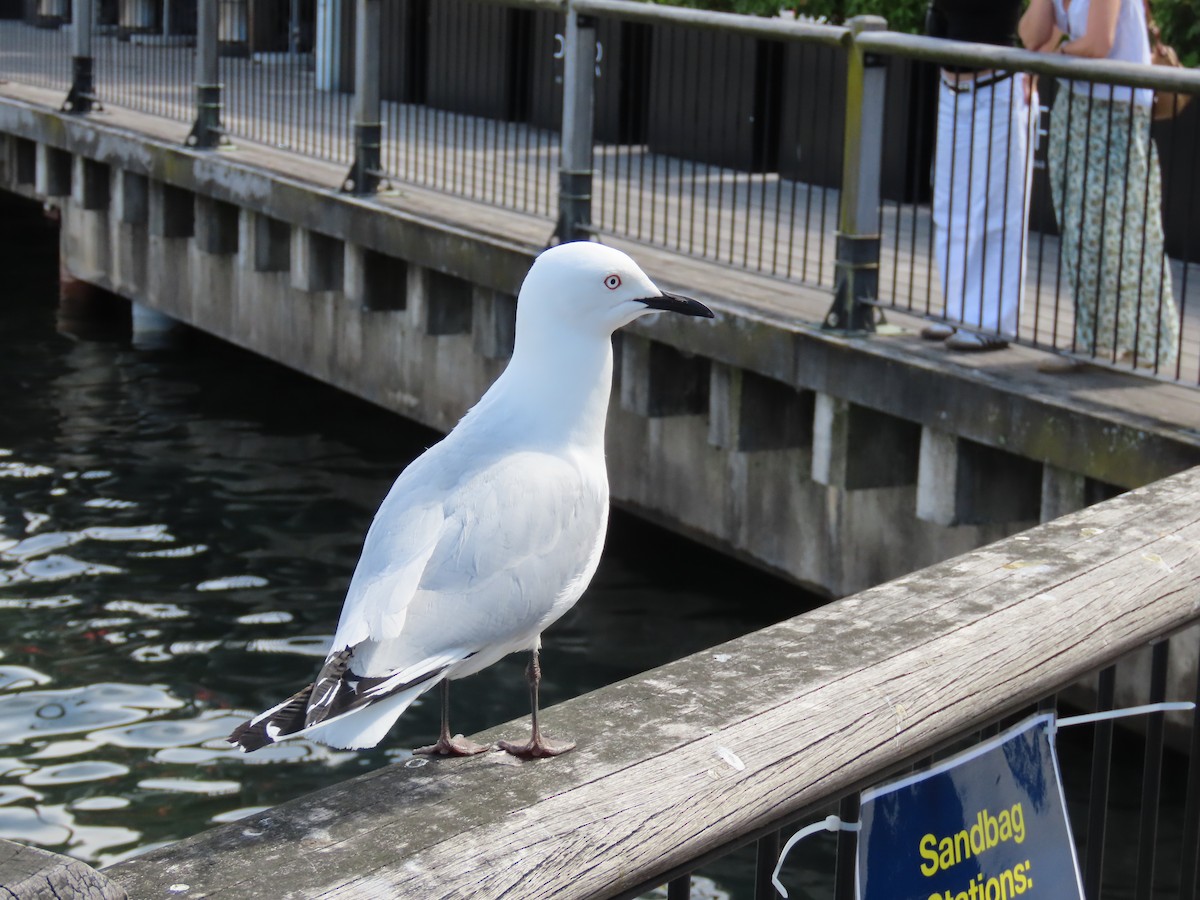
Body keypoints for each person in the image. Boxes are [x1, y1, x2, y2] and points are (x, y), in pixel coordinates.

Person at [1019, 0, 1179, 370]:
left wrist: (1058, 55)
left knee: (1113, 229)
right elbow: (1031, 35)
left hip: (1116, 111)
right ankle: (1101, 338)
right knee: (1083, 227)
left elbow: (1097, 44)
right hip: (1078, 104)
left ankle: (1120, 342)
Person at [924, 0, 1038, 352]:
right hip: (952, 90)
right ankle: (958, 308)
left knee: (996, 208)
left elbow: (1042, 20)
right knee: (949, 203)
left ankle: (992, 322)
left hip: (996, 87)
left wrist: (1035, 66)